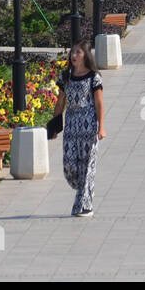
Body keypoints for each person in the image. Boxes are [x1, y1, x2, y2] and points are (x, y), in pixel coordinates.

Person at [51, 40, 105, 217]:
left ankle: (85, 205)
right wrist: (54, 126)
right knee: (70, 165)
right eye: (72, 52)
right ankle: (83, 187)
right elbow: (60, 102)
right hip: (71, 125)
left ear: (85, 56)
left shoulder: (94, 78)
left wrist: (101, 128)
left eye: (78, 53)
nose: (74, 56)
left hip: (89, 124)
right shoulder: (66, 77)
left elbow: (99, 103)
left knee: (87, 165)